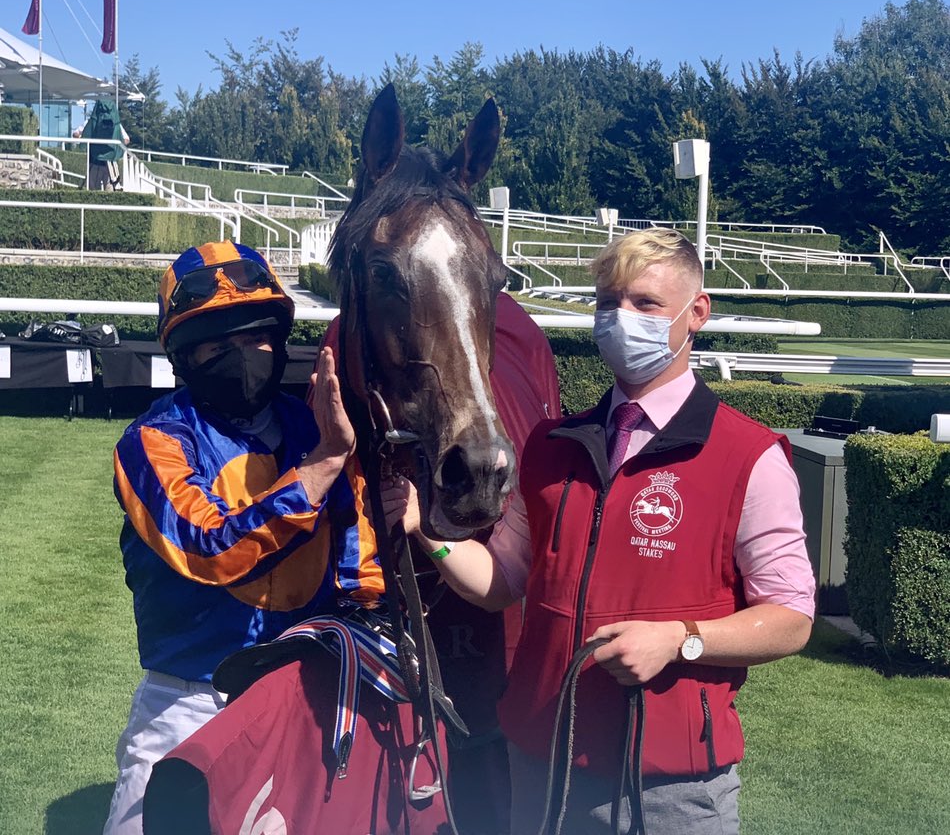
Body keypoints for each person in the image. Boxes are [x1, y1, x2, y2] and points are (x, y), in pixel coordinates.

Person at [383, 227, 816, 835]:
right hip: (542, 766)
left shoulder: (749, 456)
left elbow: (792, 617)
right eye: (608, 302)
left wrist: (681, 640)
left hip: (668, 785)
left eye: (645, 303)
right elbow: (502, 580)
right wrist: (427, 531)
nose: (620, 318)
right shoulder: (551, 445)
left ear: (696, 314)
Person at [103, 240, 382, 835]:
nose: (243, 356)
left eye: (255, 336)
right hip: (187, 702)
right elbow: (209, 547)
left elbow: (358, 564)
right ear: (184, 356)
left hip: (296, 694)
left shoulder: (315, 425)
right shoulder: (153, 442)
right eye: (216, 345)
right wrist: (318, 469)